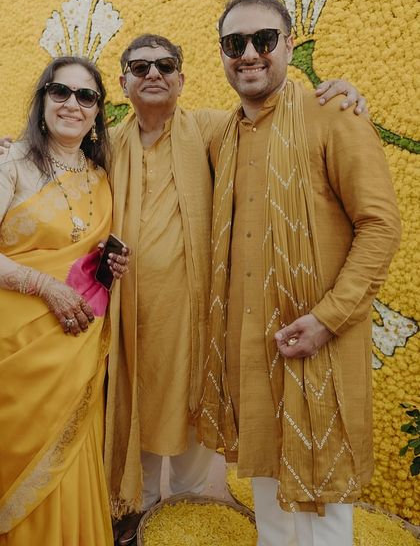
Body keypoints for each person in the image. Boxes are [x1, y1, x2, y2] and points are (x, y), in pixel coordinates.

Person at [103, 33, 369, 545]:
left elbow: (265, 113)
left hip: (195, 322)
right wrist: (17, 146)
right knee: (131, 429)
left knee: (189, 444)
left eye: (165, 65)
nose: (153, 74)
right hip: (125, 320)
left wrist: (339, 93)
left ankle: (184, 523)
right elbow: (59, 154)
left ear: (182, 78)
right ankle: (138, 521)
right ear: (123, 82)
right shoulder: (107, 142)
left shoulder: (209, 127)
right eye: (140, 67)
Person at [198, 0, 401, 546]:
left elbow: (380, 226)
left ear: (289, 43)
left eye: (263, 40)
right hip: (257, 350)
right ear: (222, 53)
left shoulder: (332, 114)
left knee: (323, 520)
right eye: (234, 43)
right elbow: (144, 134)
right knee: (272, 511)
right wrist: (22, 152)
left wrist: (328, 318)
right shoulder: (223, 134)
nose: (249, 54)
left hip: (321, 347)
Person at [0, 56, 128, 545]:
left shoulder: (100, 174)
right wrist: (47, 286)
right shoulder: (12, 164)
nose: (72, 104)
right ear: (42, 100)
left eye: (86, 96)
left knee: (71, 460)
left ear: (98, 112)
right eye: (60, 92)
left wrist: (111, 264)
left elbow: (85, 252)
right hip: (19, 356)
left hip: (74, 350)